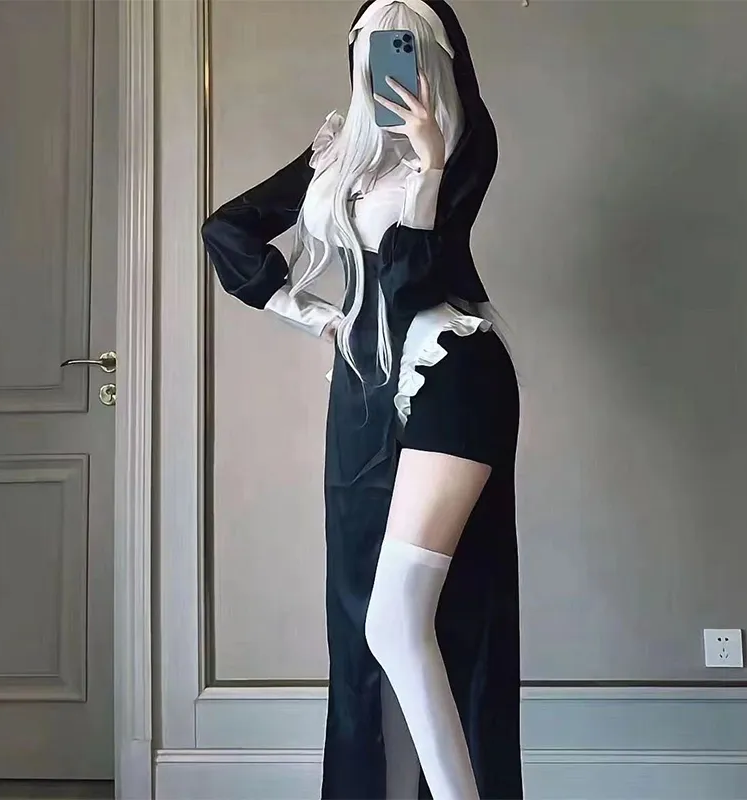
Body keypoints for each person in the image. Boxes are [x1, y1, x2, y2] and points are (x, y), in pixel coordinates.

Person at [201, 2, 522, 798]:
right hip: (363, 389)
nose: (387, 62)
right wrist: (314, 315)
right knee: (365, 628)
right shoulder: (338, 152)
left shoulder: (462, 143)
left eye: (403, 45)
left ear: (436, 55)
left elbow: (412, 281)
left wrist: (431, 168)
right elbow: (228, 230)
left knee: (402, 618)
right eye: (373, 46)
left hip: (452, 370)